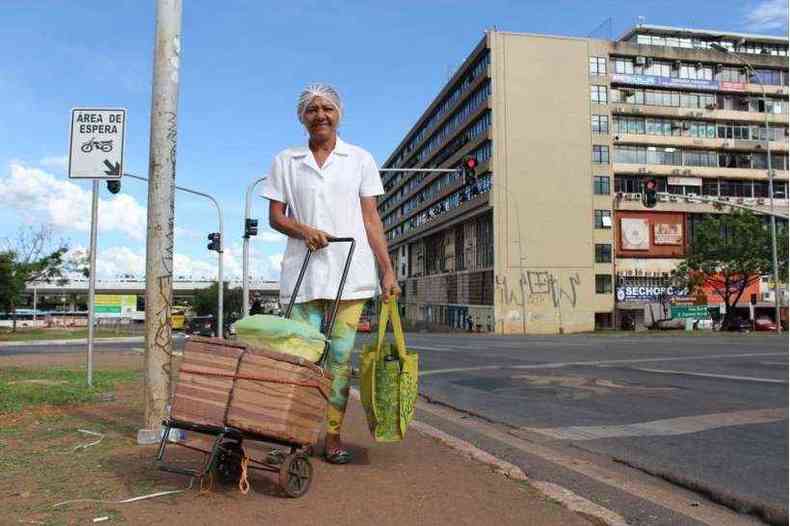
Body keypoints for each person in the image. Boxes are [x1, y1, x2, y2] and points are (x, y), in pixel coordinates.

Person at [262, 83, 400, 464]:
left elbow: (371, 220)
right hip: (303, 276)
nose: (320, 115)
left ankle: (333, 435)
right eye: (312, 109)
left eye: (327, 108)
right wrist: (304, 230)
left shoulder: (359, 159)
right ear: (301, 117)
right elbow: (275, 217)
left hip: (351, 274)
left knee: (338, 358)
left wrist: (387, 271)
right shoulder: (285, 161)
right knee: (303, 358)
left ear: (339, 114)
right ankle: (299, 434)